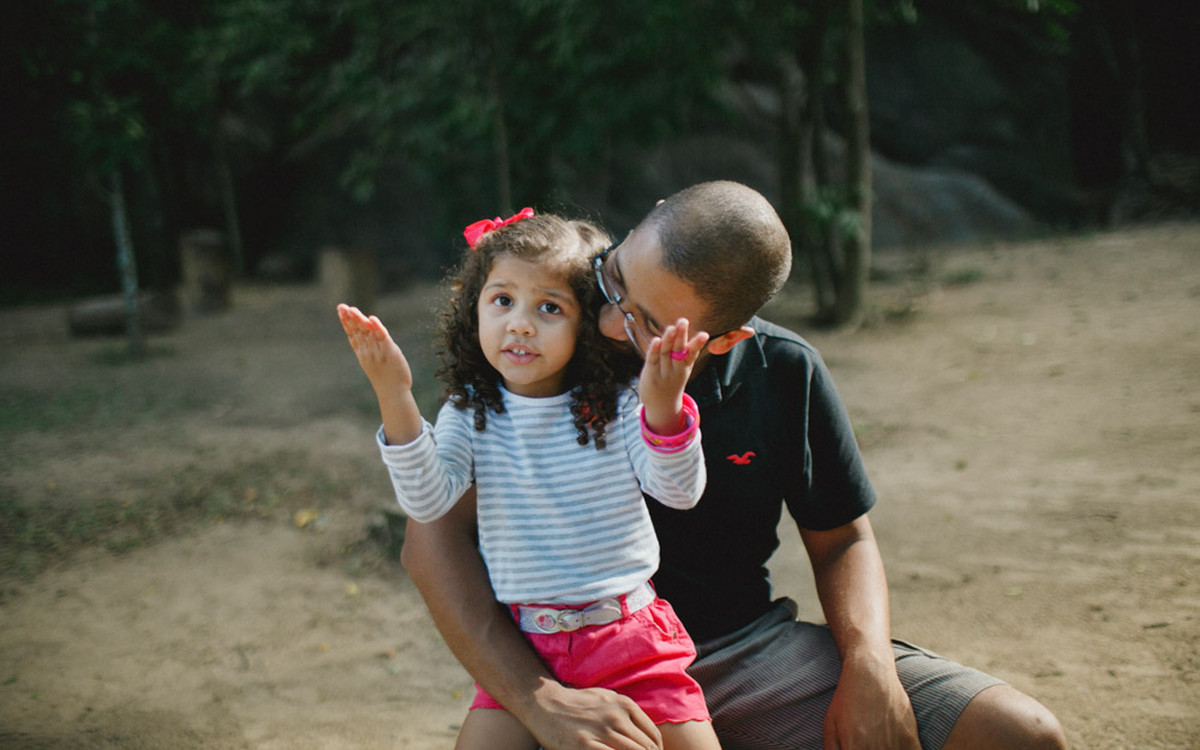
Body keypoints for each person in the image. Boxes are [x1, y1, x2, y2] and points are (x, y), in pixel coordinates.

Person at [399, 181, 1069, 750]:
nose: (607, 322)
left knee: (1022, 734)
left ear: (724, 339)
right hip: (575, 666)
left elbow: (843, 537)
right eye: (615, 277)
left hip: (747, 652)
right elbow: (432, 544)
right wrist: (539, 699)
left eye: (647, 323)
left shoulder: (782, 371)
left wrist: (869, 668)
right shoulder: (545, 342)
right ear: (644, 222)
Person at [338, 210, 723, 750]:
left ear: (585, 326)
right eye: (502, 300)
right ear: (473, 310)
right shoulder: (469, 413)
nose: (519, 324)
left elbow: (679, 492)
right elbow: (427, 501)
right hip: (527, 651)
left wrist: (663, 409)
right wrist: (394, 394)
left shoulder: (619, 405)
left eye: (549, 307)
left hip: (631, 642)